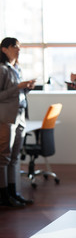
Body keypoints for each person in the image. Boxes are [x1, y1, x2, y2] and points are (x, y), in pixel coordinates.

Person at [0, 37, 36, 207]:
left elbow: (16, 94)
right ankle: (4, 194)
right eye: (14, 46)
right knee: (4, 157)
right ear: (4, 49)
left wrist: (25, 88)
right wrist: (18, 87)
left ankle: (14, 193)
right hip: (6, 117)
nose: (18, 49)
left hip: (19, 115)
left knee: (15, 157)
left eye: (19, 46)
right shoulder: (2, 69)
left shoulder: (16, 68)